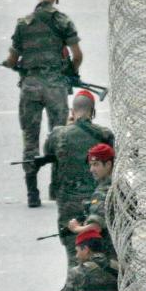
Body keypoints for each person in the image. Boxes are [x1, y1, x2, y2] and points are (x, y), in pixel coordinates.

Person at [1, 0, 82, 208]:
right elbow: (77, 55)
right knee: (59, 137)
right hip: (56, 87)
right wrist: (70, 72)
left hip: (31, 88)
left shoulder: (23, 24)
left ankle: (32, 192)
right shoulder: (63, 21)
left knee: (30, 138)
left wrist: (11, 64)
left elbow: (12, 58)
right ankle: (57, 189)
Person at [42, 90, 114, 267]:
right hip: (99, 199)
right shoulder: (104, 134)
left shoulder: (59, 134)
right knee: (103, 254)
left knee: (76, 255)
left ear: (72, 112)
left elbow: (48, 151)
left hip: (69, 201)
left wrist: (67, 126)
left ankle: (76, 288)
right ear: (93, 112)